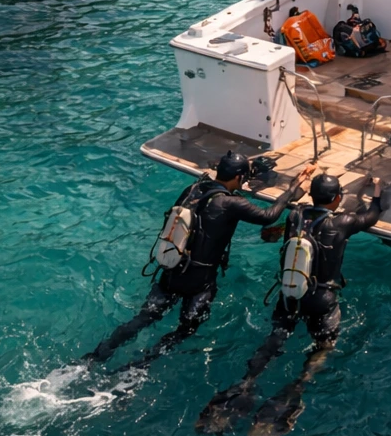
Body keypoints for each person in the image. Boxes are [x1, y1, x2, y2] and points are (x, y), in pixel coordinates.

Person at [195, 172, 384, 436]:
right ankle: (297, 386)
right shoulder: (342, 223)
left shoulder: (296, 216)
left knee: (276, 338)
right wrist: (376, 190)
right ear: (337, 198)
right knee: (324, 347)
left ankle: (246, 383)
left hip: (289, 297)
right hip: (321, 301)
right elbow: (372, 214)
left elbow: (286, 221)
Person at [84, 154, 314, 371]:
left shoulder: (192, 190)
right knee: (187, 328)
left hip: (171, 271)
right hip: (199, 282)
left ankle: (97, 355)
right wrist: (294, 186)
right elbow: (268, 216)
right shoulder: (231, 203)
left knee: (144, 318)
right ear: (239, 178)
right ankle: (142, 363)